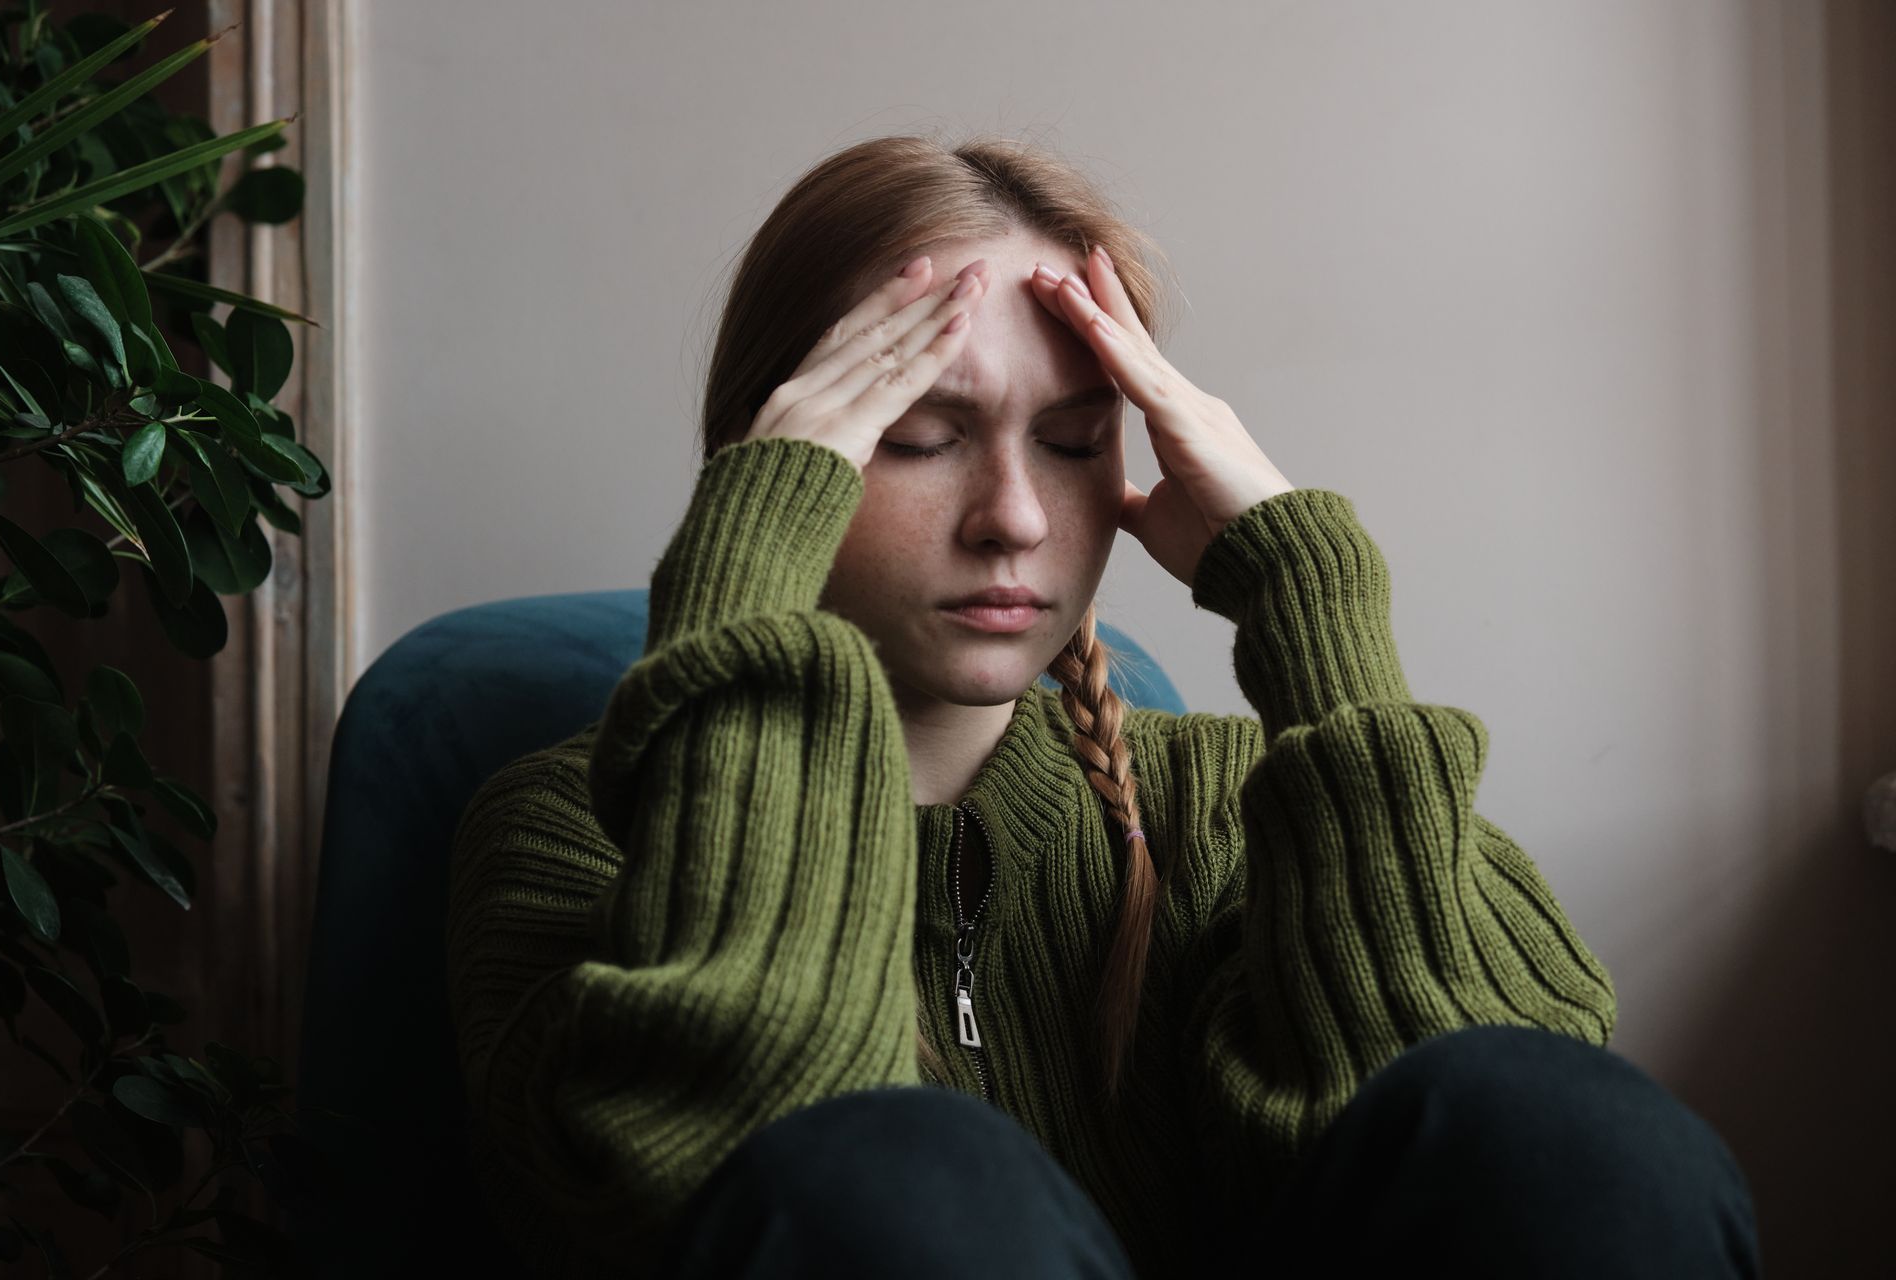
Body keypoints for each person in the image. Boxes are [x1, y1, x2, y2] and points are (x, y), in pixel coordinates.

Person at [444, 132, 1760, 1279]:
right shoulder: (572, 834)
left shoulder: (1224, 807)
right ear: (784, 459)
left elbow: (1505, 1163)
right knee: (896, 1175)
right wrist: (748, 597)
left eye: (1075, 443)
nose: (1016, 518)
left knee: (1549, 1117)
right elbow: (700, 1179)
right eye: (917, 435)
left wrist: (1317, 610)